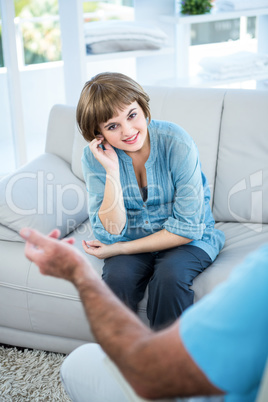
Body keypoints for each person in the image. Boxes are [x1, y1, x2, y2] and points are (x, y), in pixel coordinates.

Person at [20, 227, 268, 402]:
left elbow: (148, 375)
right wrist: (113, 172)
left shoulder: (261, 274)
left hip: (169, 383)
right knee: (122, 276)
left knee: (78, 361)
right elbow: (108, 227)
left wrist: (78, 272)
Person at [76, 72, 225, 329]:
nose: (128, 131)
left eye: (132, 115)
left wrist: (120, 249)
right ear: (98, 134)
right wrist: (112, 172)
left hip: (189, 240)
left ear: (143, 108)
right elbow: (110, 232)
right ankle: (122, 359)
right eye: (112, 126)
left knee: (170, 277)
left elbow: (188, 228)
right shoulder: (94, 158)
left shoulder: (176, 142)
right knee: (117, 280)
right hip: (132, 235)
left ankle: (167, 363)